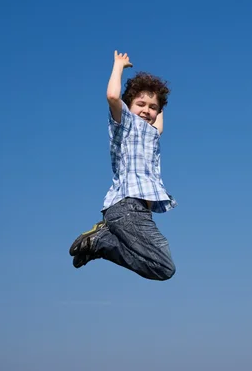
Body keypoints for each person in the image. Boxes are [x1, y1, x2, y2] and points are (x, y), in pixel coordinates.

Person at [69, 50, 177, 281]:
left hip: (137, 213)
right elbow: (112, 97)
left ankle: (101, 241)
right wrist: (118, 65)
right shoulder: (124, 123)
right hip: (128, 207)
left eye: (152, 107)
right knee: (164, 267)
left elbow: (159, 125)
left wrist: (160, 98)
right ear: (129, 105)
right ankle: (100, 242)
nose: (147, 110)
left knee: (161, 268)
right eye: (141, 104)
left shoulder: (152, 133)